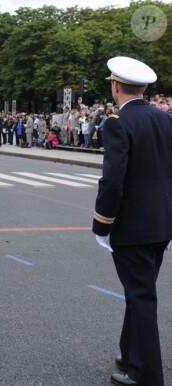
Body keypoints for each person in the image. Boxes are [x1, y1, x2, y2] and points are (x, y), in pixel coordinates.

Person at [93, 56, 172, 386]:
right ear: (143, 88)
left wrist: (102, 223)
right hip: (162, 222)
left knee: (140, 297)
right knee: (138, 291)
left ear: (115, 86)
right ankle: (130, 354)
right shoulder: (165, 120)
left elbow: (113, 180)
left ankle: (146, 375)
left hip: (132, 226)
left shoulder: (117, 122)